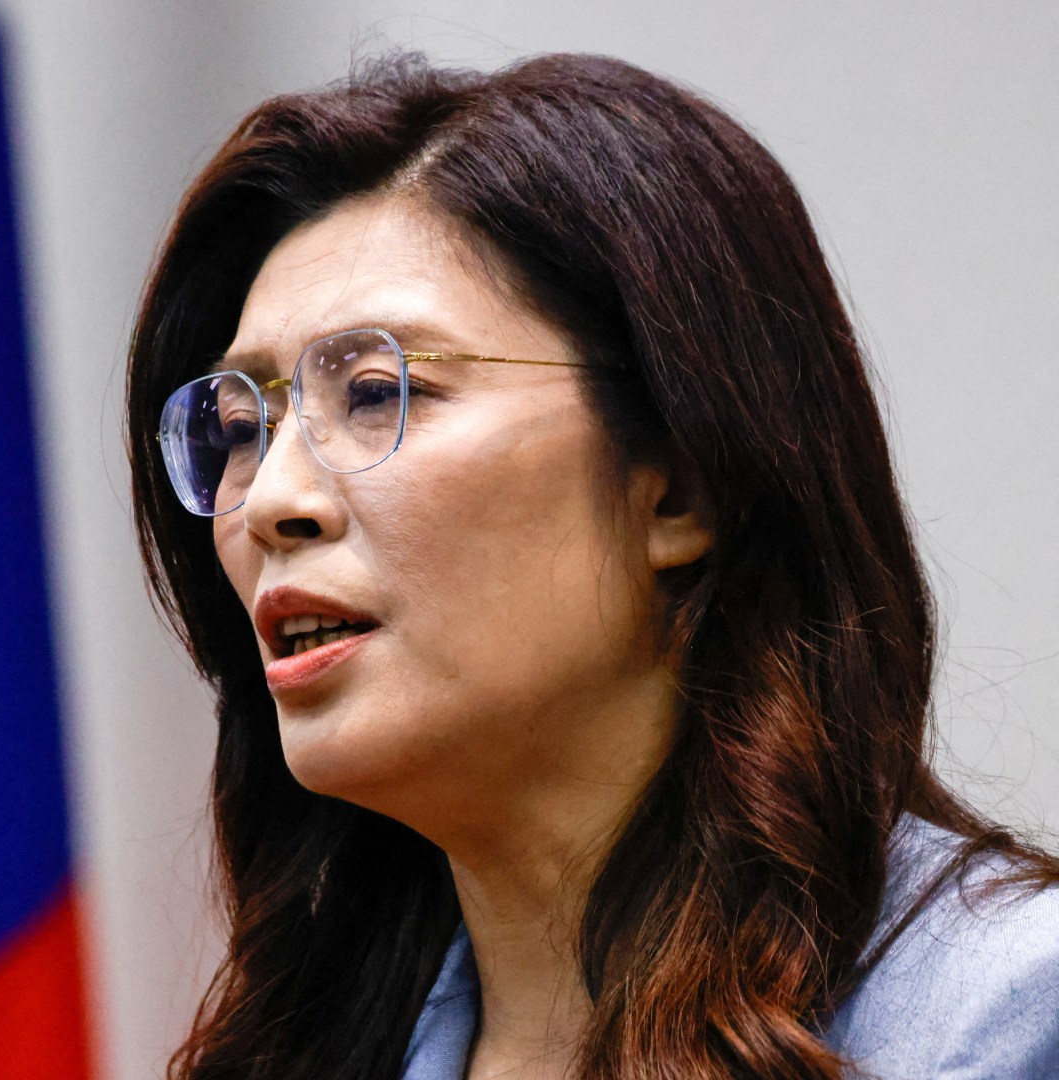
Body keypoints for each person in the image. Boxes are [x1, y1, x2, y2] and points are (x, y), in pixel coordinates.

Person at [124, 51, 1059, 1080]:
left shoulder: (1008, 1015)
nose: (271, 502)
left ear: (681, 488)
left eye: (380, 392)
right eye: (239, 427)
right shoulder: (303, 1053)